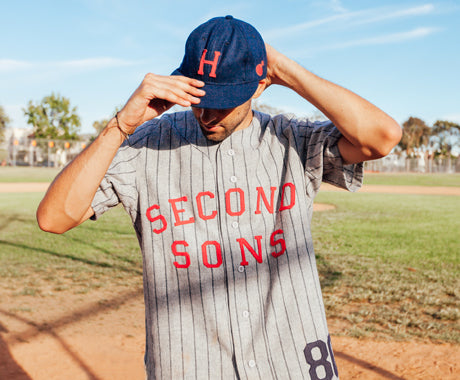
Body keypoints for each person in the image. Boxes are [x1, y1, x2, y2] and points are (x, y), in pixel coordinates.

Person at [37, 16, 401, 380]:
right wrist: (121, 126)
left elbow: (381, 137)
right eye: (198, 98)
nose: (206, 113)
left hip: (289, 362)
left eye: (222, 100)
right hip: (191, 366)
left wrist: (285, 70)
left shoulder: (292, 139)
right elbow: (54, 218)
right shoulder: (146, 144)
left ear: (259, 86)